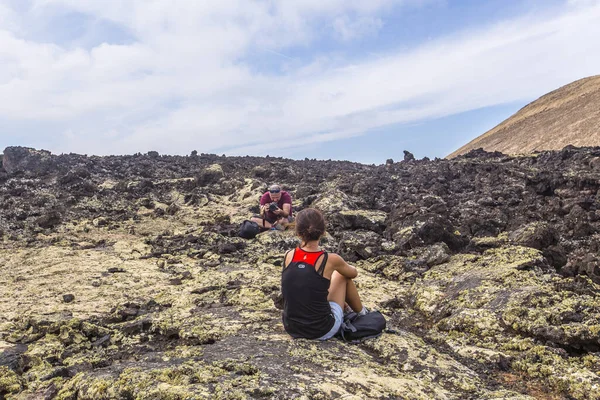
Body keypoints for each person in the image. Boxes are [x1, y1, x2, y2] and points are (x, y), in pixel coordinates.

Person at [281, 208, 369, 340]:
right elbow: (353, 273)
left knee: (314, 281)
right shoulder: (330, 259)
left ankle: (355, 311)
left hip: (291, 328)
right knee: (341, 276)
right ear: (323, 232)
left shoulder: (289, 255)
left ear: (298, 232)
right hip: (321, 330)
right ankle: (362, 313)